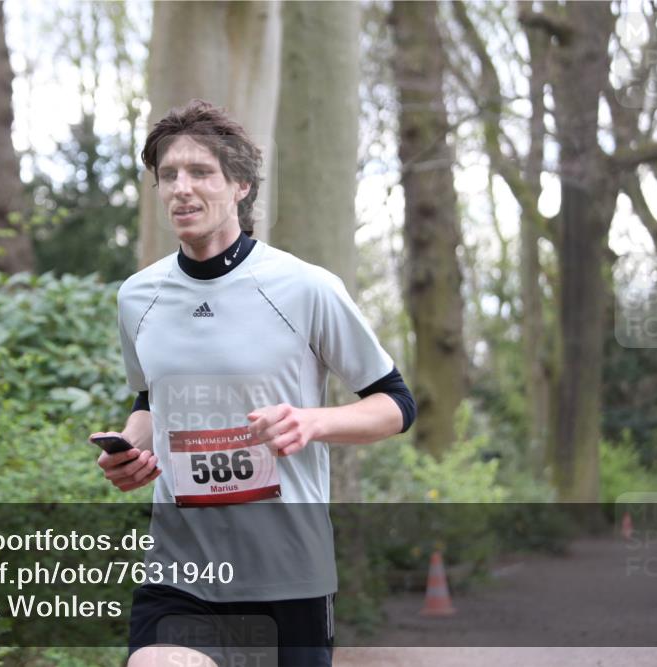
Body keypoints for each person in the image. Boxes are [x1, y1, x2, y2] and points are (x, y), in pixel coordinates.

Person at [91, 99, 415, 667]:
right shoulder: (137, 297)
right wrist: (131, 449)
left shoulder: (305, 287)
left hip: (287, 571)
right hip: (181, 568)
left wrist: (312, 421)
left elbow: (395, 404)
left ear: (240, 185)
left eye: (200, 172)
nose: (180, 189)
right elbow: (150, 399)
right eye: (168, 175)